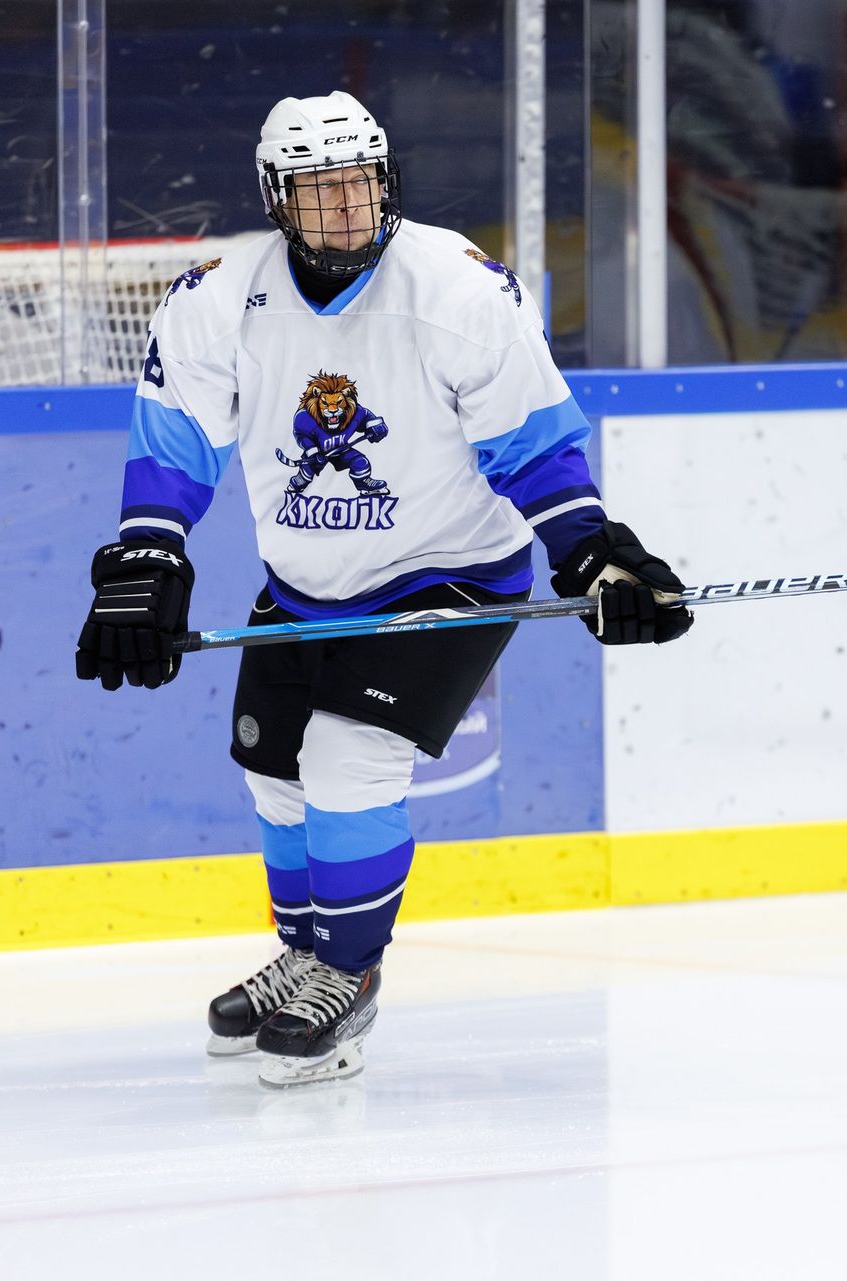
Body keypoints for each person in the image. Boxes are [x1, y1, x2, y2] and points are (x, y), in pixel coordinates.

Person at [74, 90, 693, 1087]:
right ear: (277, 198)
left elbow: (532, 443)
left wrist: (591, 552)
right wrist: (148, 558)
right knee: (273, 769)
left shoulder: (456, 287)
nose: (347, 204)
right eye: (320, 188)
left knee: (349, 758)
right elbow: (177, 440)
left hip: (451, 572)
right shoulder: (219, 296)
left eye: (360, 181)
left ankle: (350, 974)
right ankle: (306, 953)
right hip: (306, 583)